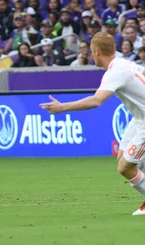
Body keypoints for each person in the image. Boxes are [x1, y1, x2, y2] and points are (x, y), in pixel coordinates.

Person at [40, 32, 145, 216]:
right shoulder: (124, 63)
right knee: (122, 157)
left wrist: (62, 107)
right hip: (138, 119)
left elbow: (96, 101)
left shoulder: (115, 72)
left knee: (125, 168)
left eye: (91, 51)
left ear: (96, 52)